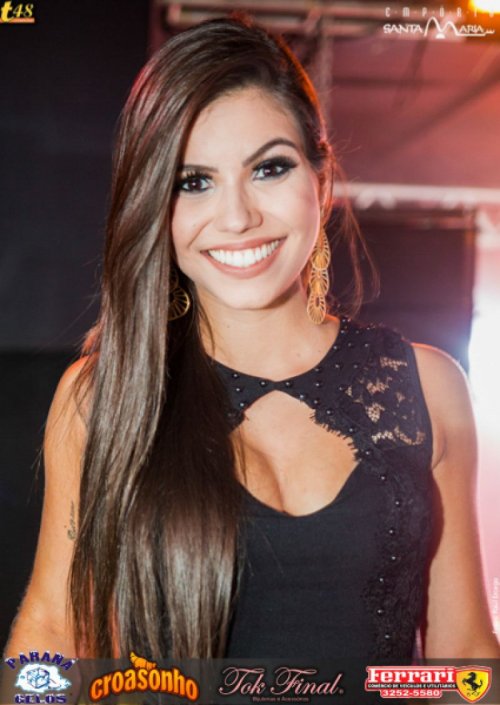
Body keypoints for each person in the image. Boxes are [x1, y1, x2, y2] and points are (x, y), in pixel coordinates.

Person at [5, 12, 499, 672]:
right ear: (155, 206)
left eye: (269, 168)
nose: (237, 217)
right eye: (193, 181)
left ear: (320, 179)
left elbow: (464, 659)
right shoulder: (103, 399)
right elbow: (52, 632)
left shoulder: (429, 388)